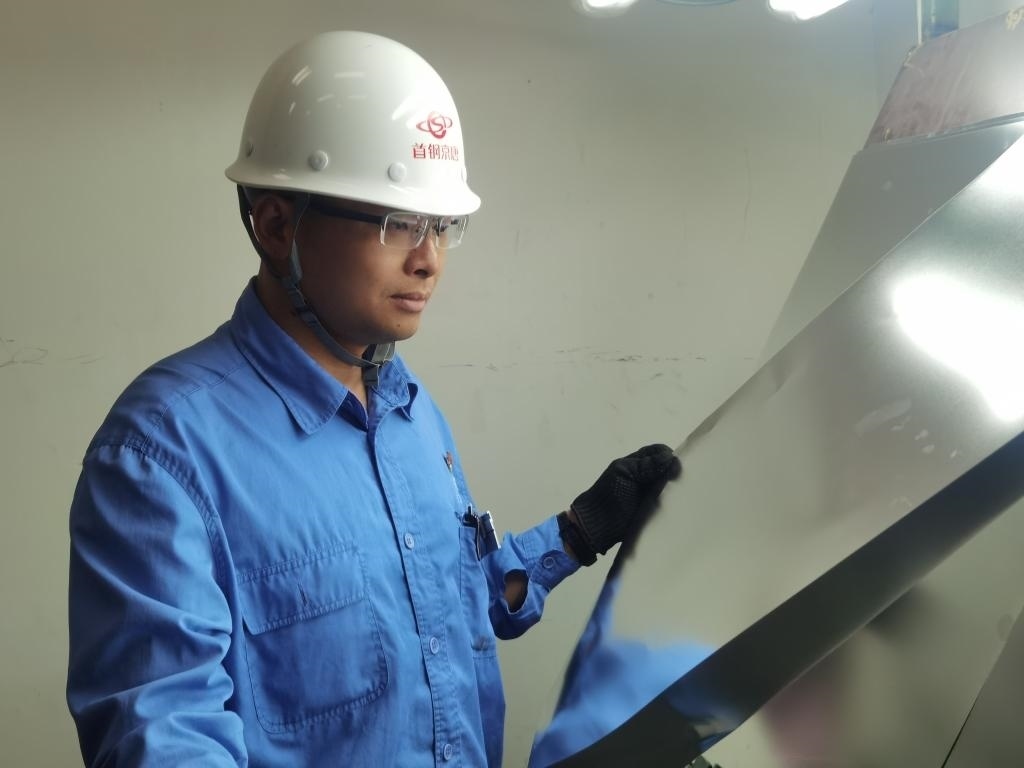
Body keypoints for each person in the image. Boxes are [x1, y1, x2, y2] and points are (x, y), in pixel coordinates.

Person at [66, 30, 680, 767]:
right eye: (398, 224)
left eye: (443, 227)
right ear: (277, 225)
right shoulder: (162, 456)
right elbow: (166, 741)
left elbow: (444, 615)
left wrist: (577, 534)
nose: (429, 260)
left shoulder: (409, 411)